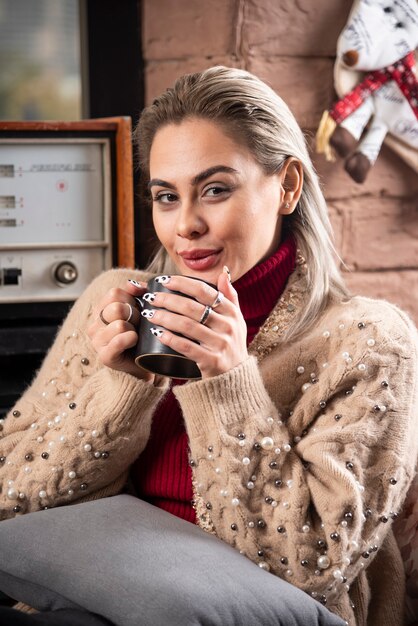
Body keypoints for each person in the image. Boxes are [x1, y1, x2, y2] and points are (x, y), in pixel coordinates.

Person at [0, 65, 417, 626]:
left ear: (288, 185)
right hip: (87, 593)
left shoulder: (367, 341)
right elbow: (11, 498)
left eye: (215, 190)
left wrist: (228, 383)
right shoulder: (112, 301)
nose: (186, 225)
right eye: (166, 197)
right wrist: (119, 390)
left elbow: (313, 565)